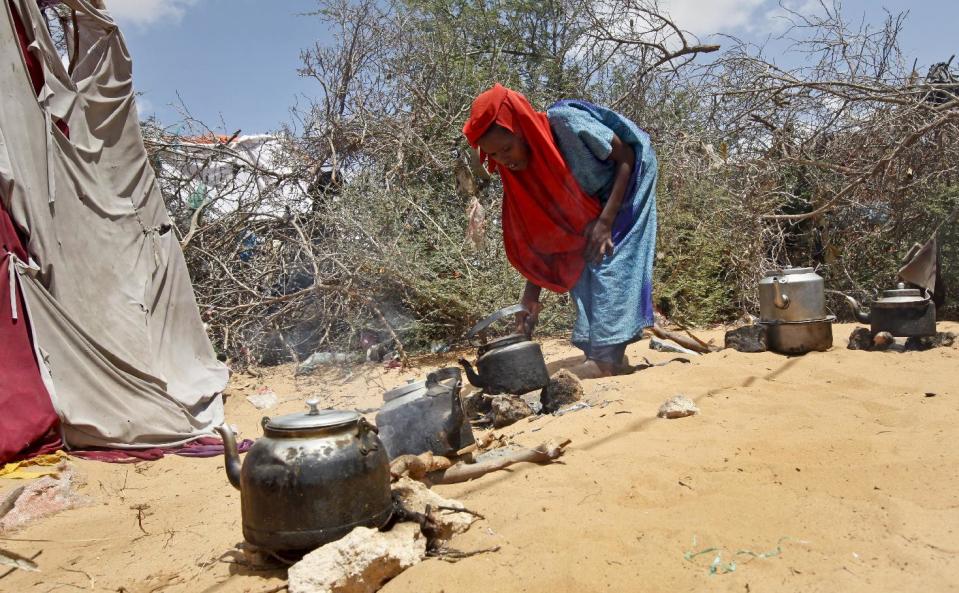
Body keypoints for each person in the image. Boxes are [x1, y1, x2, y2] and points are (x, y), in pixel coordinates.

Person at [462, 84, 657, 379]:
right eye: (494, 155)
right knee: (576, 256)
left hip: (627, 180)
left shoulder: (565, 124)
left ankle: (606, 360)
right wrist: (529, 299)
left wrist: (605, 222)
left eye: (507, 148)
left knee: (608, 256)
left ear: (523, 129)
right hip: (588, 204)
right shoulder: (519, 173)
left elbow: (627, 156)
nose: (504, 159)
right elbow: (545, 235)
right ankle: (600, 352)